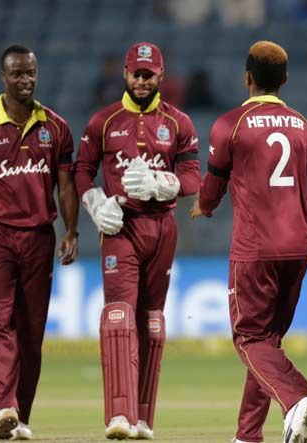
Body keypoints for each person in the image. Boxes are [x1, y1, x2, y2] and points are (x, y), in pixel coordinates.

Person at [190, 40, 307, 443]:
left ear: (247, 78)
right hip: (298, 245)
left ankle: (297, 397)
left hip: (255, 249)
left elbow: (212, 187)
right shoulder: (304, 127)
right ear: (284, 80)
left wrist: (204, 206)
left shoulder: (229, 124)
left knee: (250, 338)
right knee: (269, 343)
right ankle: (248, 436)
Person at [75, 41, 200, 440]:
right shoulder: (104, 121)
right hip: (120, 227)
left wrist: (163, 183)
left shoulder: (179, 122)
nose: (142, 81)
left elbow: (195, 177)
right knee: (119, 315)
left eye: (149, 74)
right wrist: (94, 203)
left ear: (161, 76)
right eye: (136, 74)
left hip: (162, 227)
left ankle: (144, 419)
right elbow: (82, 169)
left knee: (152, 321)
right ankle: (119, 415)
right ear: (125, 75)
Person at [0, 44, 79, 440]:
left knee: (31, 332)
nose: (26, 80)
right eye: (18, 74)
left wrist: (71, 231)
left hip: (39, 238)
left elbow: (66, 186)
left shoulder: (55, 127)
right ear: (3, 77)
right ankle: (2, 405)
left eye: (31, 73)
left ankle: (18, 417)